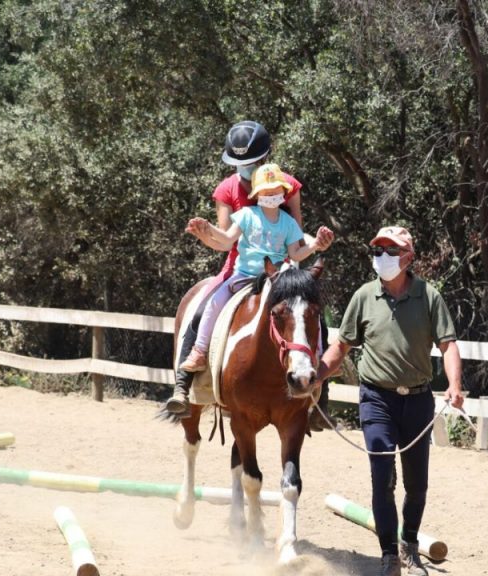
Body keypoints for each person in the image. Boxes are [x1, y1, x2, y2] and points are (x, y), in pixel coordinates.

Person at [316, 225, 465, 576]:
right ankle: (388, 555)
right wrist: (316, 376)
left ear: (408, 257)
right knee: (382, 474)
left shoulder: (429, 297)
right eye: (378, 250)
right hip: (375, 399)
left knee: (417, 484)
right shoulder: (364, 296)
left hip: (417, 400)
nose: (382, 257)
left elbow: (448, 345)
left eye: (391, 251)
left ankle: (410, 544)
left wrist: (455, 384)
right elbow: (341, 347)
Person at [168, 121, 334, 424]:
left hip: (282, 269)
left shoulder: (287, 185)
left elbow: (297, 236)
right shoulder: (227, 190)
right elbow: (224, 240)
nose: (244, 169)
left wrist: (317, 244)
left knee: (312, 315)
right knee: (201, 309)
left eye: (250, 163)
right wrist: (205, 233)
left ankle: (321, 396)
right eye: (238, 164)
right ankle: (183, 381)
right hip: (240, 266)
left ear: (265, 157)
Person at [179, 163, 334, 372]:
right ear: (257, 194)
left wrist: (315, 244)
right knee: (214, 303)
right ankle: (199, 350)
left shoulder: (288, 223)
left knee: (306, 308)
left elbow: (296, 253)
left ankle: (320, 356)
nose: (272, 194)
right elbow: (226, 240)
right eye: (267, 191)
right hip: (243, 275)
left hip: (277, 279)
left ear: (284, 192)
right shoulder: (246, 215)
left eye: (276, 190)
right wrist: (208, 229)